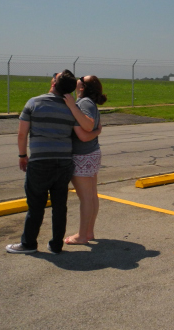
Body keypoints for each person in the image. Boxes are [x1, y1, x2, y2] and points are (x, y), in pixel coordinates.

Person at [6, 70, 81, 254]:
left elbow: (22, 133)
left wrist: (22, 155)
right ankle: (56, 245)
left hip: (40, 162)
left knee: (36, 205)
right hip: (64, 161)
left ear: (54, 83)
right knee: (59, 206)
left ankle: (29, 244)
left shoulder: (34, 103)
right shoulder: (72, 108)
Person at [62, 75, 108, 245]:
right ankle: (89, 232)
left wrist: (72, 106)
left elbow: (86, 128)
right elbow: (94, 128)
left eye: (81, 78)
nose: (78, 79)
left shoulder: (83, 103)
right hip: (91, 153)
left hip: (82, 155)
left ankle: (82, 235)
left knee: (86, 198)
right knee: (91, 196)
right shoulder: (89, 103)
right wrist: (97, 132)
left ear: (83, 87)